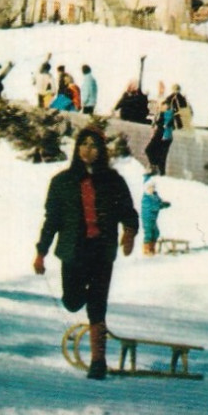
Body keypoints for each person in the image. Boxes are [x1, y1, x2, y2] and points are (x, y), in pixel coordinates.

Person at [34, 128, 139, 380]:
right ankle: (83, 298)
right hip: (73, 251)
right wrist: (41, 252)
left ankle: (98, 361)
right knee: (71, 302)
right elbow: (52, 220)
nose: (88, 150)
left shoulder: (113, 181)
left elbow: (128, 212)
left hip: (102, 252)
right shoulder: (62, 182)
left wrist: (129, 232)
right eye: (84, 144)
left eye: (94, 146)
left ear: (101, 151)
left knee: (97, 306)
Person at [139, 170, 170, 256]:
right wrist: (161, 205)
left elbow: (159, 202)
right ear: (146, 188)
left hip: (153, 219)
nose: (152, 189)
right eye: (150, 187)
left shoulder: (154, 195)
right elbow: (153, 207)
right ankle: (146, 250)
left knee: (156, 232)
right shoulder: (146, 198)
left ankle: (152, 248)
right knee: (148, 233)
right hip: (147, 218)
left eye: (153, 187)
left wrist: (164, 203)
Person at [145, 100, 176, 176]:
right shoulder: (162, 114)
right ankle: (157, 169)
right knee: (157, 154)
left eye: (163, 105)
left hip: (163, 136)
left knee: (158, 154)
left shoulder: (167, 114)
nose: (161, 106)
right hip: (162, 135)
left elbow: (165, 124)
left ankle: (157, 169)